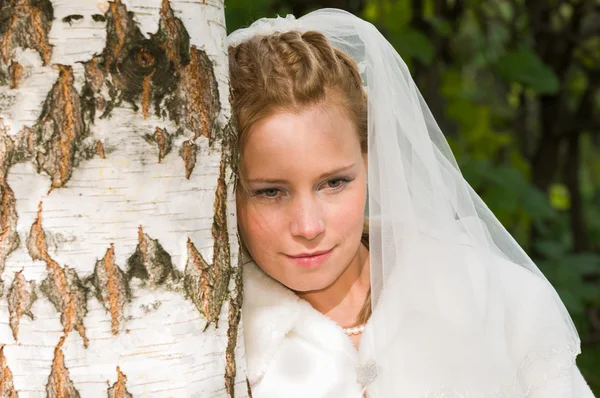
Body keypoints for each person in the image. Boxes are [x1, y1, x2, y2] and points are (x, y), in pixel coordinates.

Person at [227, 9, 596, 398]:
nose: (308, 226)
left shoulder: (488, 292)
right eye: (270, 192)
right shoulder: (212, 340)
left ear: (369, 164)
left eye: (334, 182)